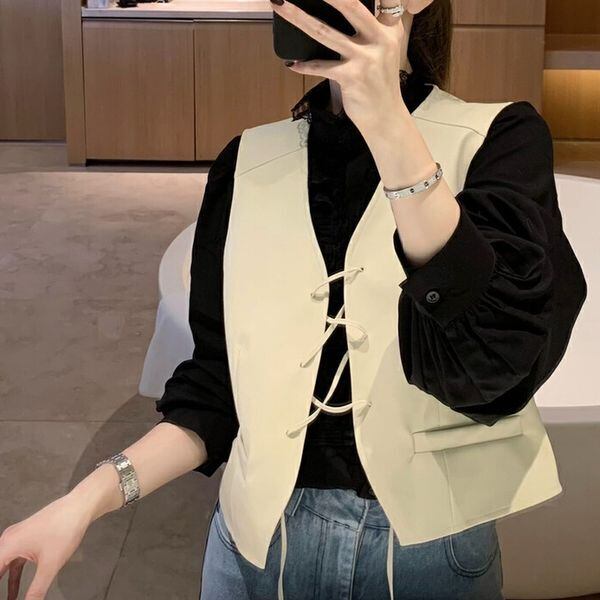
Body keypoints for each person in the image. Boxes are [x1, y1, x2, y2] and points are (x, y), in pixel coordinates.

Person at [0, 1, 587, 600]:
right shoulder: (245, 165)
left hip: (429, 556)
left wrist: (390, 128)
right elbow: (215, 389)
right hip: (252, 552)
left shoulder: (498, 142)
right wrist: (84, 501)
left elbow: (492, 369)